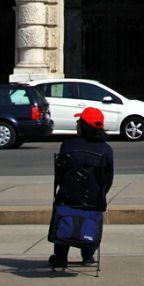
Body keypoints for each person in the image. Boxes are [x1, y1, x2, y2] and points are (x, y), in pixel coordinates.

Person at [48, 107, 114, 272]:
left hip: (68, 198)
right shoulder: (106, 150)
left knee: (62, 204)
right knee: (91, 210)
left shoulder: (67, 145)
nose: (76, 124)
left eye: (79, 121)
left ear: (84, 126)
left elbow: (60, 175)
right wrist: (99, 193)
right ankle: (87, 254)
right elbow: (108, 179)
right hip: (93, 200)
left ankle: (61, 256)